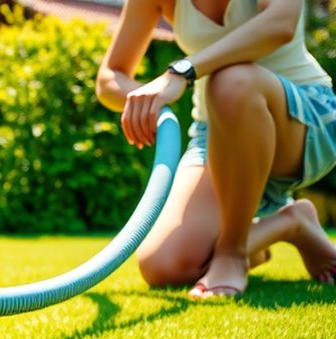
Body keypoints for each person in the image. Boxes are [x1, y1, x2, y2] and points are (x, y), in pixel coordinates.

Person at [96, 0, 336, 298]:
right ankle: (290, 224)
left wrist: (181, 72)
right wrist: (145, 98)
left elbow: (280, 25)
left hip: (303, 118)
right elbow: (110, 77)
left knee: (230, 80)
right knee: (164, 266)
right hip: (214, 134)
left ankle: (232, 253)